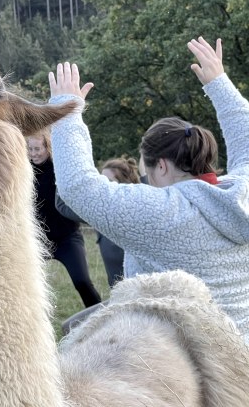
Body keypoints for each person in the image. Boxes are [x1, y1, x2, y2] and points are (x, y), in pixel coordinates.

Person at [48, 37, 249, 341]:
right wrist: (219, 82)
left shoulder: (162, 212)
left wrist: (66, 111)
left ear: (163, 166)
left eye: (146, 169)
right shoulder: (243, 194)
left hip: (185, 370)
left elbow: (77, 186)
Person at [27, 130, 101, 308]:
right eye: (30, 149)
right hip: (38, 240)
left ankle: (100, 316)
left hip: (67, 238)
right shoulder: (25, 170)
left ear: (47, 147)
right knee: (26, 285)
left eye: (38, 149)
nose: (34, 153)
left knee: (82, 281)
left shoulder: (60, 169)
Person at [56, 156, 141, 287]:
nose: (103, 187)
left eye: (109, 181)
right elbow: (62, 206)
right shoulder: (99, 213)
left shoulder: (140, 211)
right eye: (101, 181)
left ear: (124, 184)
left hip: (145, 291)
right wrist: (61, 174)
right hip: (119, 296)